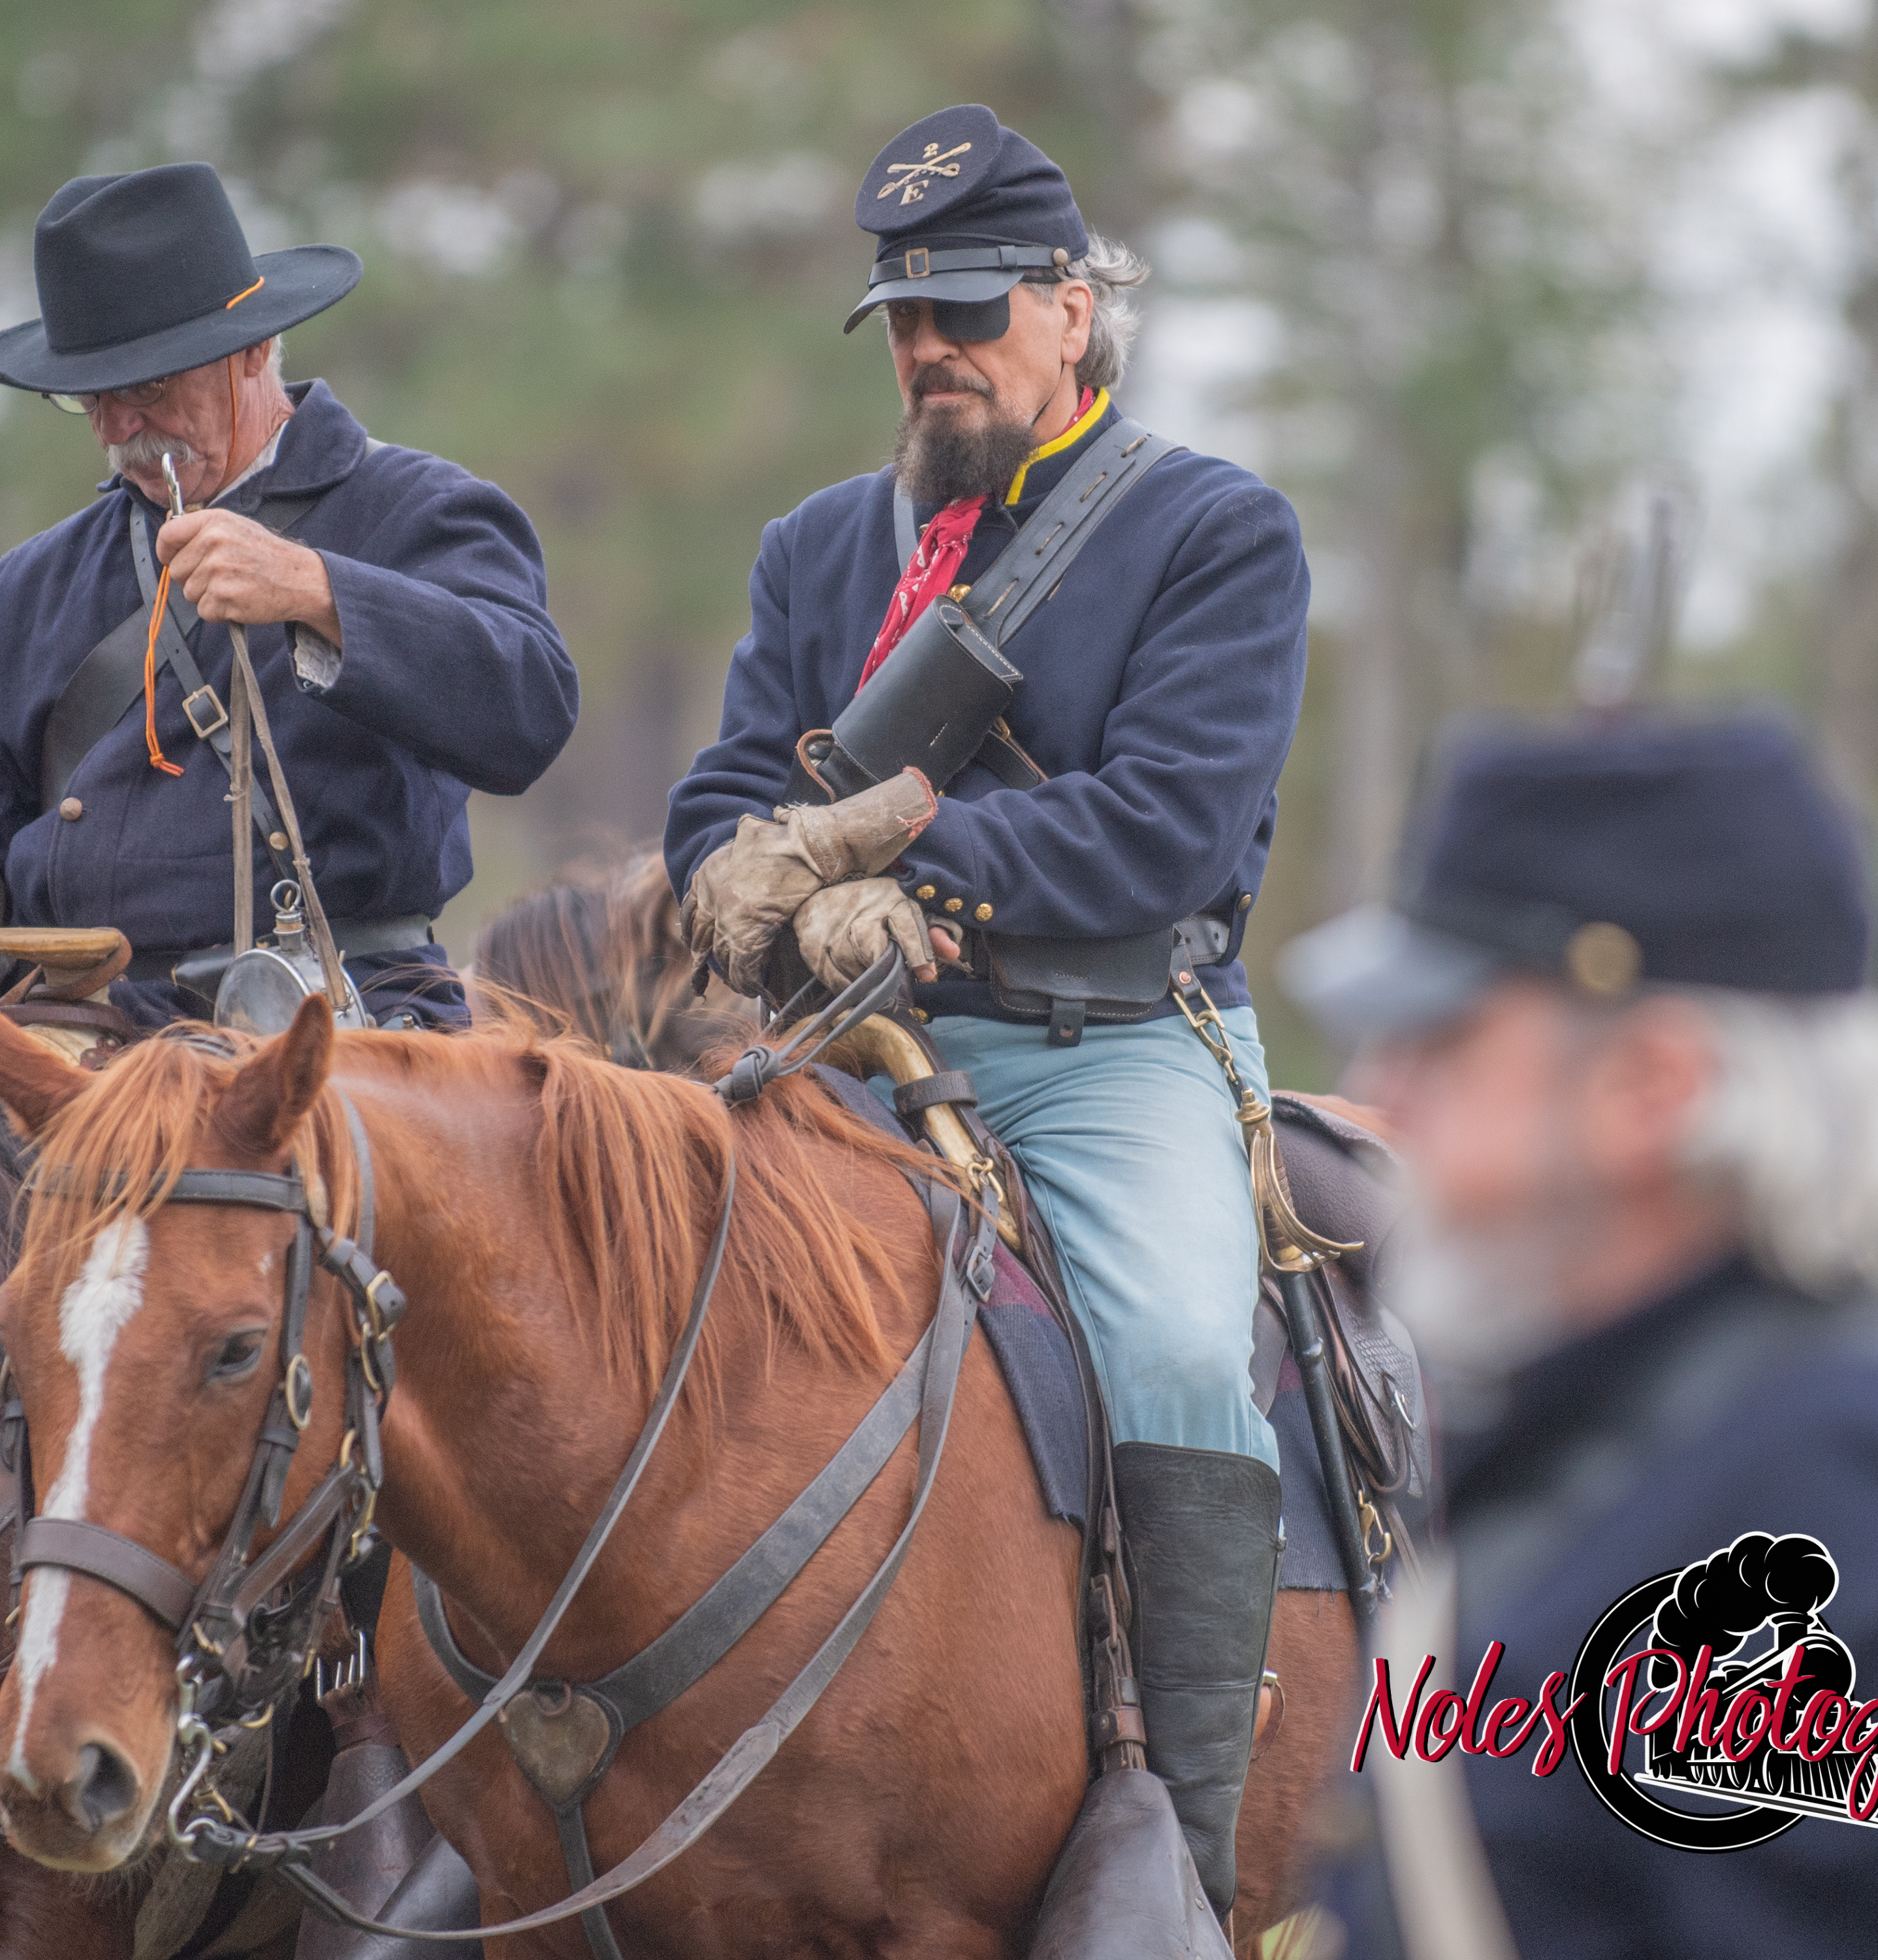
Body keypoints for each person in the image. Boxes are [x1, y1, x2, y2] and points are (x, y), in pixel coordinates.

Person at [664, 104, 1309, 1918]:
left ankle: (1171, 1858)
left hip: (1103, 1047)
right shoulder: (816, 549)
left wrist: (913, 857)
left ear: (1071, 309)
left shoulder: (1212, 532)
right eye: (900, 319)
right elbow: (722, 787)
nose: (928, 350)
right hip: (843, 1052)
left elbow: (1164, 829)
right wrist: (733, 872)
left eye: (963, 309)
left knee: (1181, 1356)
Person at [1282, 715, 1878, 1959]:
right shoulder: (1653, 1419)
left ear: (1653, 1088)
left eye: (1442, 1038)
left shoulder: (1855, 1500)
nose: (1377, 1087)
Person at [0, 163, 577, 1031]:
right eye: (92, 397)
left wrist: (316, 588)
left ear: (254, 348)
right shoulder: (35, 581)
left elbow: (529, 704)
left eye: (148, 387)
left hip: (333, 1022)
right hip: (78, 1033)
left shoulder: (420, 508)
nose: (115, 430)